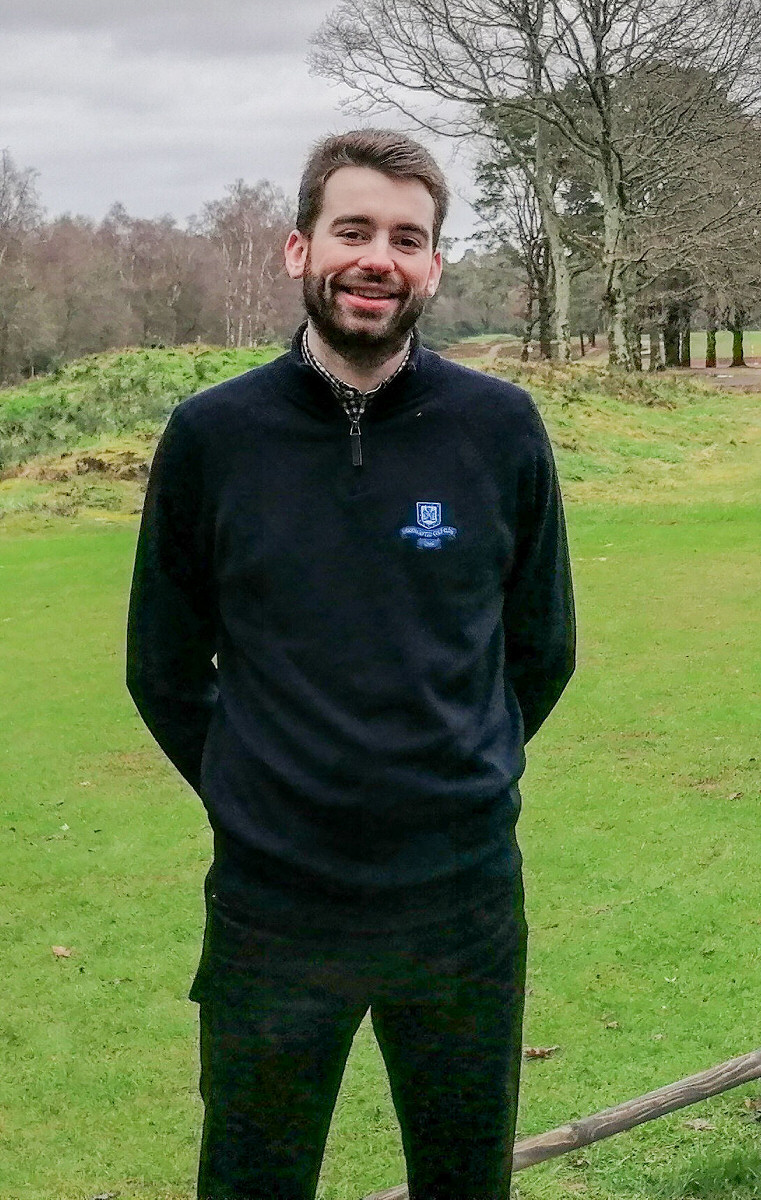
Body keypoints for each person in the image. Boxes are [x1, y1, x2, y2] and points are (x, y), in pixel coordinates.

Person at [127, 129, 576, 1200]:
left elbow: (542, 647)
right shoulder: (213, 437)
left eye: (406, 239)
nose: (379, 258)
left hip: (461, 900)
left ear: (434, 266)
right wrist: (261, 791)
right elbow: (163, 665)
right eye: (354, 231)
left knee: (465, 1180)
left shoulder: (500, 428)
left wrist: (458, 773)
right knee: (253, 1179)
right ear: (300, 249)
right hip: (275, 908)